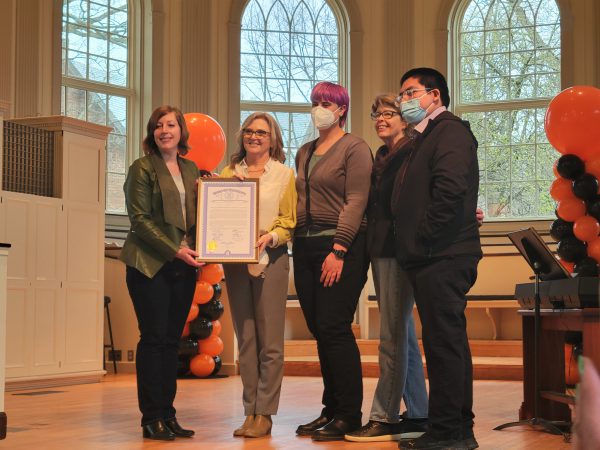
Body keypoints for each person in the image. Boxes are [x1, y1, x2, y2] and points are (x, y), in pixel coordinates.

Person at [391, 68, 482, 450]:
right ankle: (457, 429)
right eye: (401, 95)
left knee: (444, 344)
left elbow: (449, 190)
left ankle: (447, 432)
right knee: (448, 342)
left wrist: (422, 237)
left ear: (435, 95)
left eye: (410, 92)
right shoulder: (422, 137)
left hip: (441, 253)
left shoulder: (451, 131)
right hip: (431, 254)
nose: (404, 100)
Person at [345, 94, 428, 443]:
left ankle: (385, 416)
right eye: (377, 114)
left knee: (391, 336)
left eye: (389, 113)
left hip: (400, 249)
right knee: (402, 332)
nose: (381, 119)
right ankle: (421, 412)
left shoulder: (416, 149)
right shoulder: (381, 156)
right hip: (380, 250)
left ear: (404, 119)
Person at [293, 81, 373, 441]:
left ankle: (348, 415)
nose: (319, 108)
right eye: (315, 102)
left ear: (342, 109)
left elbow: (356, 200)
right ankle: (330, 410)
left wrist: (339, 249)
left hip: (340, 247)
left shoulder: (355, 147)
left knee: (334, 327)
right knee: (319, 330)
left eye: (327, 102)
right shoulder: (305, 151)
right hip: (305, 245)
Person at [120, 105, 203, 441]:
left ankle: (168, 415)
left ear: (182, 131)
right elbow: (139, 220)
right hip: (149, 265)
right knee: (154, 339)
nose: (164, 130)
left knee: (171, 342)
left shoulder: (191, 167)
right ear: (152, 132)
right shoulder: (141, 168)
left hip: (183, 266)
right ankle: (151, 417)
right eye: (158, 125)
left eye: (171, 124)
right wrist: (174, 250)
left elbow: (201, 214)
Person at [220, 112, 297, 438]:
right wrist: (216, 189)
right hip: (235, 263)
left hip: (271, 260)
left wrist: (272, 236)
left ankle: (265, 412)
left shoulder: (284, 174)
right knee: (246, 339)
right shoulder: (227, 173)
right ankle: (249, 409)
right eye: (249, 131)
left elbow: (289, 221)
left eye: (262, 132)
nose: (254, 136)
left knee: (270, 343)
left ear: (273, 139)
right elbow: (217, 214)